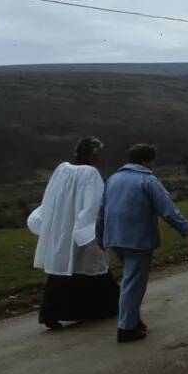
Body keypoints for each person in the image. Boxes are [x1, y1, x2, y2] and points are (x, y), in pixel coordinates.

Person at [99, 143, 188, 343]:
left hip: (114, 237)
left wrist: (99, 236)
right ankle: (126, 329)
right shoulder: (147, 179)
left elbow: (102, 210)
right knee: (133, 283)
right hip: (137, 239)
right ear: (146, 161)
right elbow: (168, 210)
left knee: (129, 281)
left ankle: (133, 321)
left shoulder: (113, 179)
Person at [27, 136, 119, 330]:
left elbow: (51, 197)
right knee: (91, 266)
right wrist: (93, 228)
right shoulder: (90, 173)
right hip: (81, 228)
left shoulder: (61, 170)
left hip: (62, 228)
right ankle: (105, 308)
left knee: (62, 269)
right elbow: (95, 204)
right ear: (92, 154)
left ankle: (52, 314)